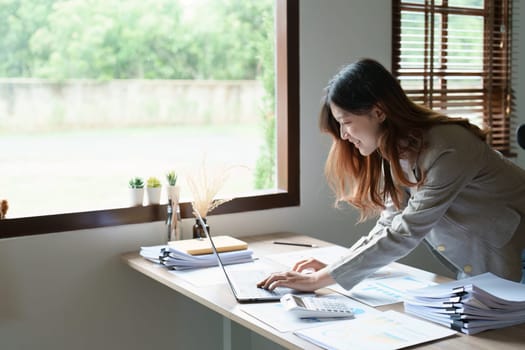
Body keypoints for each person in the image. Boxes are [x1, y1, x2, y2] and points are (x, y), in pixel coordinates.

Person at [258, 58, 525, 293]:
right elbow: (390, 224)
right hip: (489, 261)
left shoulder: (447, 147)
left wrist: (319, 280)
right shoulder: (393, 151)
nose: (343, 135)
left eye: (346, 122)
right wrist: (337, 268)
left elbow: (407, 230)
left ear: (378, 112)